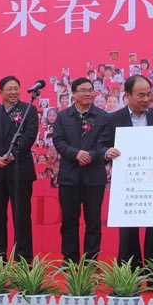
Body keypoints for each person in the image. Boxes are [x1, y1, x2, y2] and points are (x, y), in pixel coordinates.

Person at [101, 75, 153, 270]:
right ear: (128, 95)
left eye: (148, 94)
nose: (146, 99)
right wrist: (107, 152)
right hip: (128, 183)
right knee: (128, 232)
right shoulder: (113, 119)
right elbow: (100, 146)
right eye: (141, 95)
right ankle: (129, 276)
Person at [52, 78, 111, 262]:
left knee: (93, 221)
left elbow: (106, 142)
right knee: (69, 221)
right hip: (69, 176)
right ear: (74, 94)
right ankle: (69, 259)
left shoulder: (103, 117)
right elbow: (58, 141)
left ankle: (91, 260)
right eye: (83, 90)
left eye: (90, 90)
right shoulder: (63, 116)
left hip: (94, 176)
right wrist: (76, 153)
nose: (88, 93)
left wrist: (91, 155)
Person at [0, 76, 39, 263]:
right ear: (0, 92)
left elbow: (30, 135)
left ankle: (23, 259)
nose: (14, 92)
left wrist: (12, 154)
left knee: (21, 216)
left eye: (16, 88)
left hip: (20, 169)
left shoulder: (28, 109)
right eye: (9, 89)